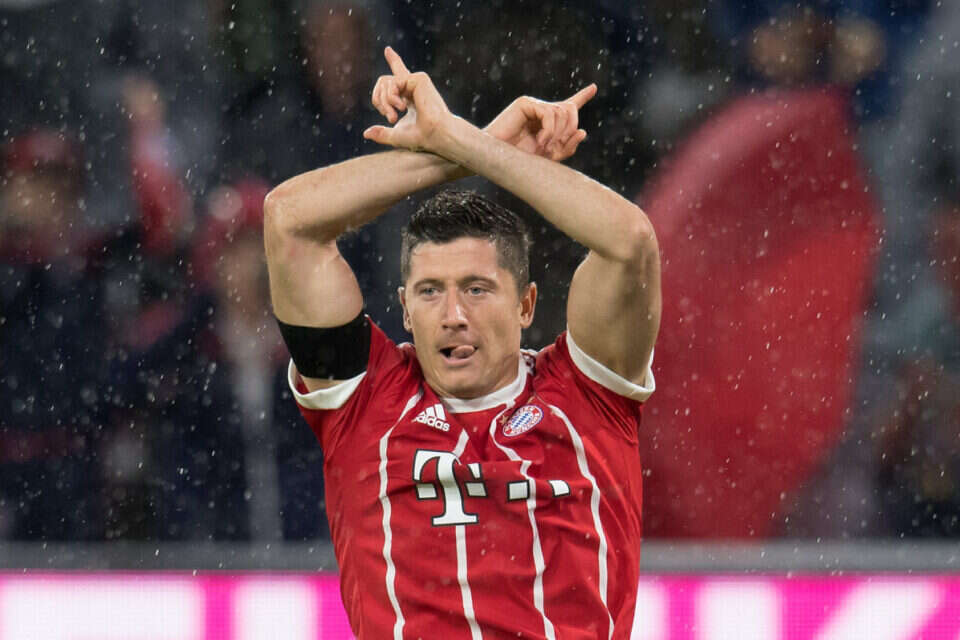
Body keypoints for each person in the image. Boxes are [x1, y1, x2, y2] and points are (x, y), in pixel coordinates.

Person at [264, 47, 660, 639]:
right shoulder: (366, 403)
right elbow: (288, 220)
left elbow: (630, 242)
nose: (453, 315)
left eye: (477, 289)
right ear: (403, 308)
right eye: (430, 292)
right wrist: (465, 149)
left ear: (526, 304)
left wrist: (463, 142)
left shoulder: (586, 396)